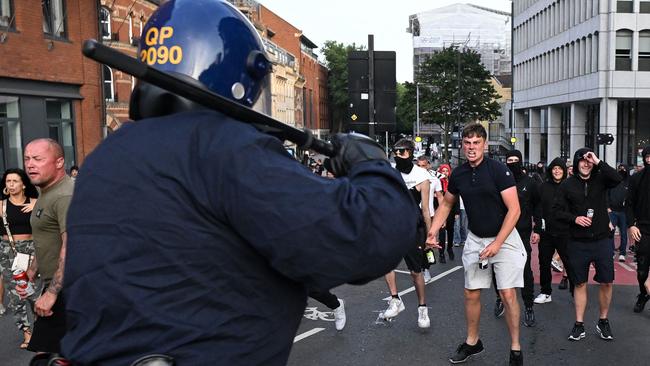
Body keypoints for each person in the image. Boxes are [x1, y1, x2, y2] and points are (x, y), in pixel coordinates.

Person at [60, 2, 421, 365]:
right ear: (241, 74)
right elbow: (361, 239)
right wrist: (372, 166)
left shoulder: (105, 158)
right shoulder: (222, 146)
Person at [427, 123, 526, 366]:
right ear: (462, 144)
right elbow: (448, 205)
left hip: (505, 237)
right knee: (471, 292)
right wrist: (432, 231)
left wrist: (497, 243)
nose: (472, 148)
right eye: (467, 143)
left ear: (484, 144)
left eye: (476, 143)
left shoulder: (499, 170)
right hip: (475, 239)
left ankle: (515, 348)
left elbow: (515, 210)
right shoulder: (459, 174)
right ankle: (473, 342)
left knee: (507, 293)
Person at [553, 148, 621, 341]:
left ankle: (603, 321)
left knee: (607, 281)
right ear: (576, 163)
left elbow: (617, 179)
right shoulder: (567, 185)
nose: (586, 163)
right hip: (577, 242)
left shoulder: (601, 179)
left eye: (589, 160)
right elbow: (556, 211)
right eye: (582, 160)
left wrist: (598, 161)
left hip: (602, 240)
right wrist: (575, 219)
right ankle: (579, 324)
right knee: (580, 283)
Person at [16, 139, 73, 354]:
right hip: (58, 285)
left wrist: (52, 293)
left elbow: (71, 245)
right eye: (27, 159)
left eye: (38, 159)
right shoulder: (47, 192)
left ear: (59, 162)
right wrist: (32, 270)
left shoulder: (65, 195)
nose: (30, 164)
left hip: (69, 288)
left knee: (46, 355)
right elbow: (48, 237)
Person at [382, 138, 431, 328]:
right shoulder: (390, 173)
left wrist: (430, 235)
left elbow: (426, 209)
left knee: (415, 272)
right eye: (395, 151)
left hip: (413, 227)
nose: (397, 155)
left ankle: (422, 308)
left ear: (410, 152)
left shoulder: (421, 175)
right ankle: (395, 299)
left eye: (401, 151)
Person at [492, 150, 540, 328]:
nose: (512, 163)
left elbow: (537, 205)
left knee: (525, 270)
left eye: (515, 160)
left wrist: (538, 228)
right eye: (509, 160)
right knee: (497, 268)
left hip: (523, 231)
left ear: (521, 161)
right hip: (501, 231)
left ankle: (528, 306)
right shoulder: (500, 181)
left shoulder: (530, 182)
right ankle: (499, 297)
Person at [0, 168, 39, 349]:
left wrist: (38, 206)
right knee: (16, 294)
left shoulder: (35, 202)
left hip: (32, 251)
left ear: (23, 184)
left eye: (15, 181)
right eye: (8, 181)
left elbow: (51, 216)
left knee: (35, 292)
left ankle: (41, 329)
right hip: (9, 251)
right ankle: (27, 332)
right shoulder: (1, 206)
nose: (12, 185)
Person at [533, 158, 574, 304]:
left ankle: (576, 291)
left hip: (566, 232)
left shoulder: (570, 186)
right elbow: (538, 209)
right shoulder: (543, 187)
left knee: (570, 263)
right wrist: (537, 229)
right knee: (543, 263)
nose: (557, 171)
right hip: (547, 232)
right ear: (550, 171)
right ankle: (545, 292)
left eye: (560, 169)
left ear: (564, 171)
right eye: (554, 169)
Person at [627, 146, 650, 313]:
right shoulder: (636, 179)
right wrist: (631, 225)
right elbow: (629, 204)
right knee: (642, 270)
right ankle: (643, 294)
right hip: (643, 229)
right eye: (648, 157)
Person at [608, 164, 630, 262]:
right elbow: (606, 194)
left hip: (623, 212)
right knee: (610, 232)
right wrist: (607, 207)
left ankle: (622, 253)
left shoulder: (629, 182)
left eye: (624, 168)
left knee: (624, 233)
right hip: (612, 211)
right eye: (620, 168)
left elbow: (632, 198)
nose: (622, 170)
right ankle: (611, 252)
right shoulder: (612, 181)